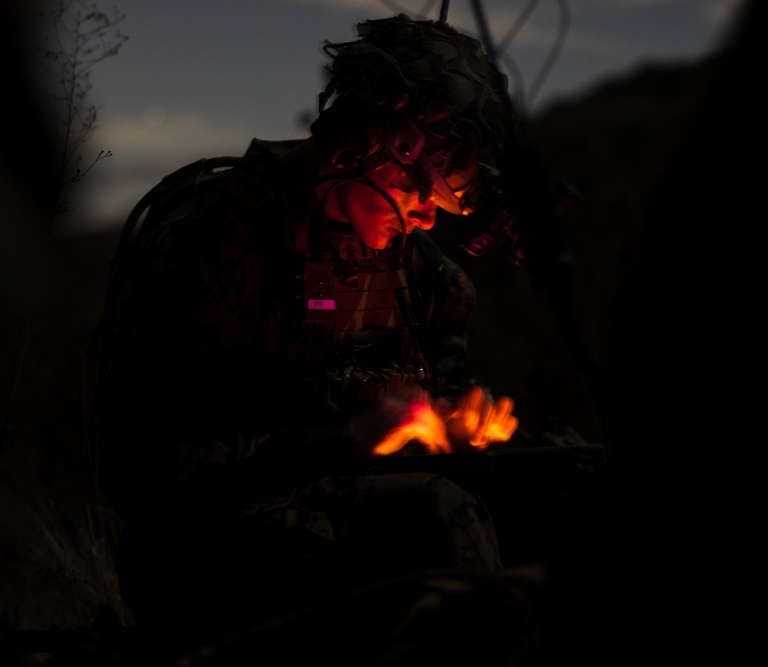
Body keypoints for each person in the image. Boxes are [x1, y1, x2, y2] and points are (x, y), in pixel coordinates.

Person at [84, 13, 544, 653]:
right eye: (415, 187)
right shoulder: (216, 239)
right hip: (214, 544)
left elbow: (437, 398)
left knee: (559, 485)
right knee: (438, 516)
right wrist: (341, 436)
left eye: (436, 202)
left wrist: (455, 424)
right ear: (364, 143)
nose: (420, 216)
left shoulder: (422, 278)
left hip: (360, 515)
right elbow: (144, 470)